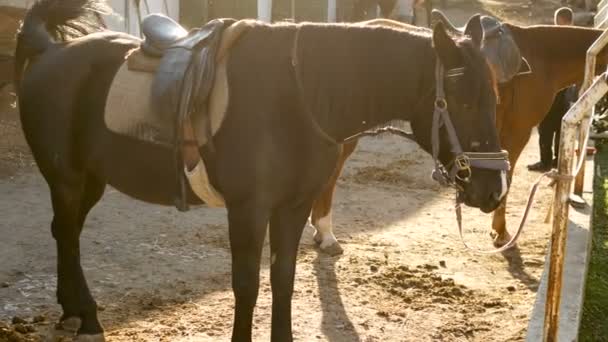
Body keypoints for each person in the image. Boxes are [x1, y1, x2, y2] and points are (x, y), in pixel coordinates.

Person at [528, 7, 578, 172]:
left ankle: (546, 161)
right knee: (561, 125)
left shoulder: (558, 37)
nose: (556, 23)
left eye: (558, 21)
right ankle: (557, 160)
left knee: (547, 125)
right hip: (569, 88)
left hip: (555, 87)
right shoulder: (576, 38)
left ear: (562, 20)